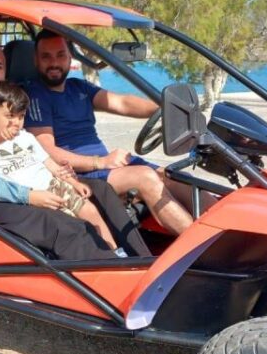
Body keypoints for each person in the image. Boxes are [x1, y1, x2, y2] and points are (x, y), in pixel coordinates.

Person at [0, 44, 149, 260]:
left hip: (30, 181)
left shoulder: (10, 104)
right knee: (63, 224)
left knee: (99, 190)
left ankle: (139, 259)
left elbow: (36, 152)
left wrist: (65, 176)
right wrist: (28, 196)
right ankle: (108, 274)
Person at [24, 29, 196, 235]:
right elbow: (47, 150)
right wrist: (100, 162)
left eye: (60, 55)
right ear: (35, 60)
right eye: (46, 57)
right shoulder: (34, 95)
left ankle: (228, 235)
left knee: (176, 178)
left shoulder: (78, 87)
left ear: (70, 57)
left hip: (106, 168)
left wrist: (166, 108)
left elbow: (122, 102)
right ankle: (202, 248)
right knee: (145, 177)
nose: (54, 63)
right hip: (79, 176)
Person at [0, 81, 124, 254]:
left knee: (90, 210)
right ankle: (98, 258)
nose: (16, 122)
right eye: (10, 116)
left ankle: (116, 252)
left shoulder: (27, 138)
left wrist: (74, 183)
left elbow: (51, 165)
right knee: (75, 224)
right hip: (31, 195)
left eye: (21, 116)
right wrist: (0, 137)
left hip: (53, 184)